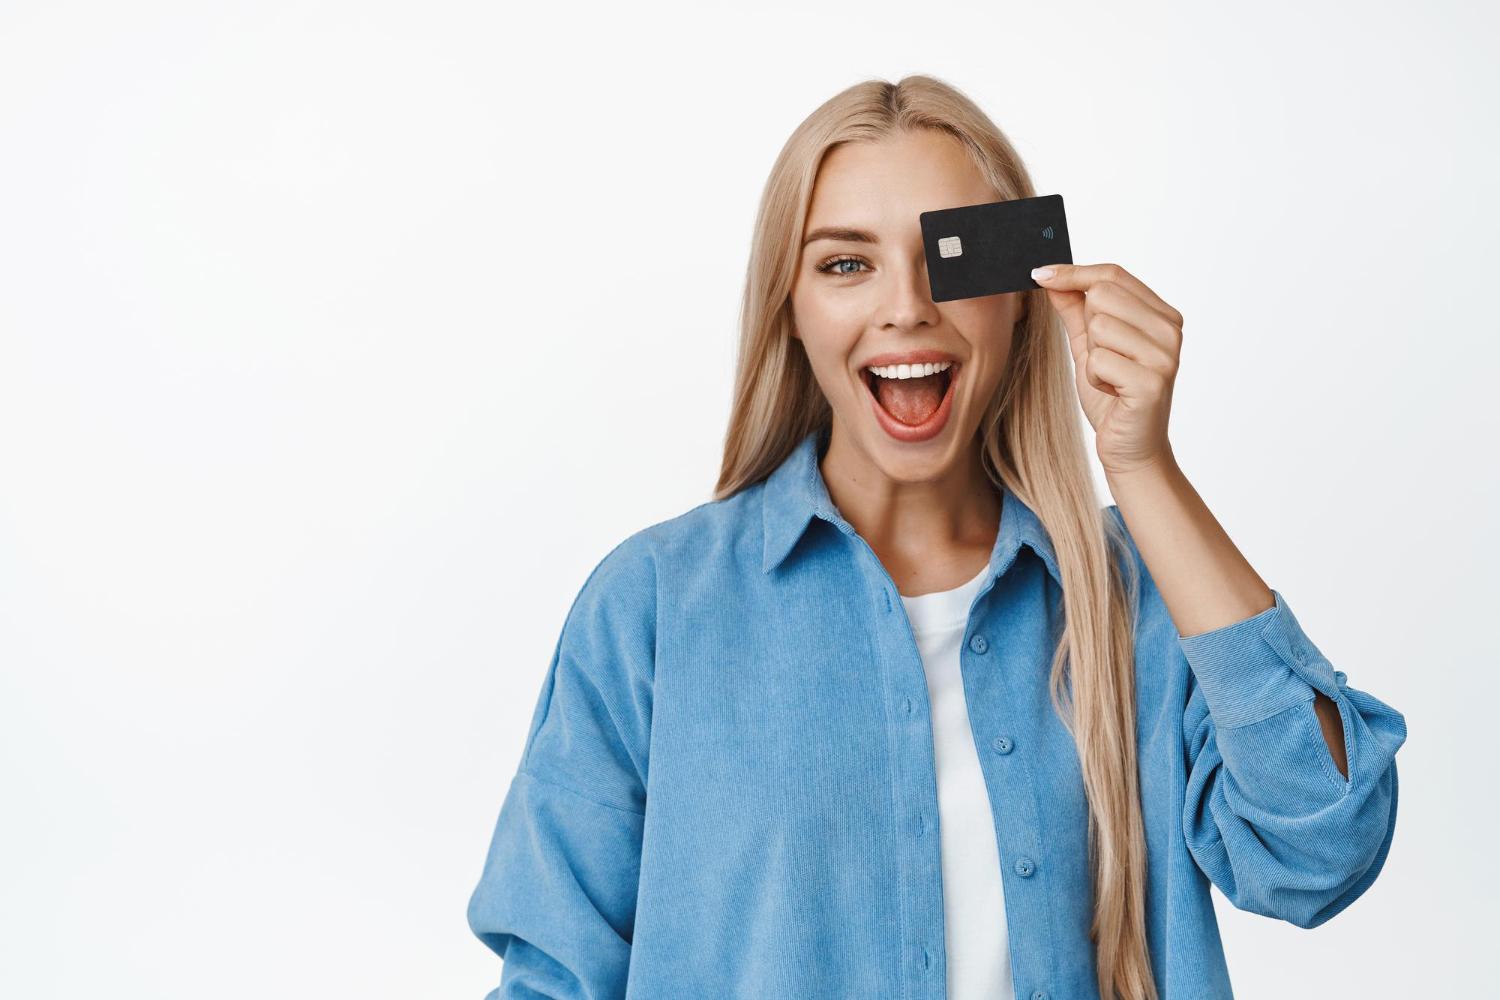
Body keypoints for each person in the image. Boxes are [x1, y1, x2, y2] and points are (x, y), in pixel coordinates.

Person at [465, 74, 1407, 1000]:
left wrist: (1143, 468)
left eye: (947, 260)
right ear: (789, 311)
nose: (906, 308)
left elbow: (1319, 847)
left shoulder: (1138, 598)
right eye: (845, 264)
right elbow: (556, 975)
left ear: (1020, 297)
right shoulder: (654, 606)